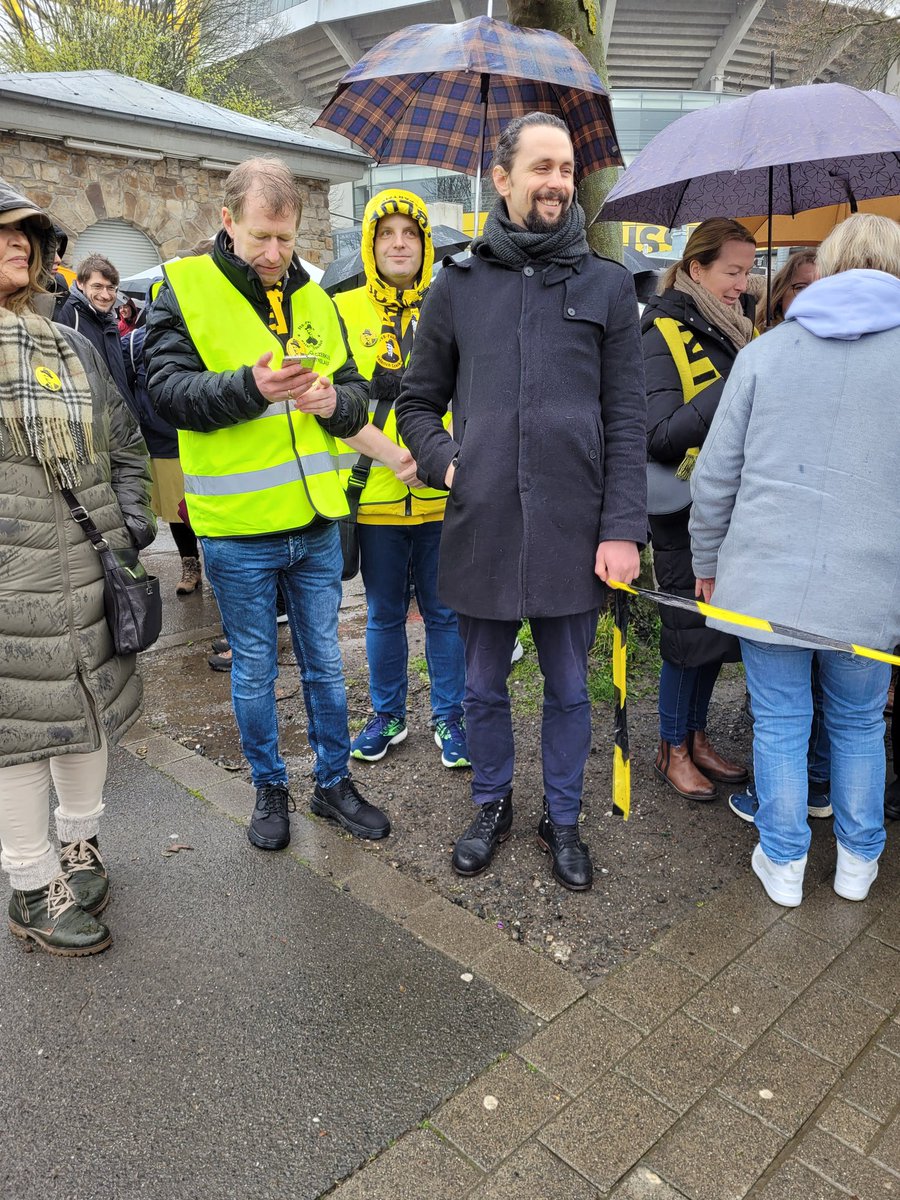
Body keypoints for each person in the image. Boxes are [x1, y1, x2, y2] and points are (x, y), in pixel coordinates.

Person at [397, 113, 647, 891]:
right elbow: (415, 401)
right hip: (485, 524)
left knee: (572, 689)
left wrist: (623, 529)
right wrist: (447, 465)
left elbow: (627, 421)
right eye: (541, 167)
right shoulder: (458, 285)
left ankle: (563, 817)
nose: (558, 182)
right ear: (501, 179)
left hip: (579, 532)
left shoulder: (607, 285)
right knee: (481, 685)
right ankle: (493, 801)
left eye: (566, 168)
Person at [145, 155, 390, 852]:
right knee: (254, 669)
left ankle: (334, 784)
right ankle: (269, 789)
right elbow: (164, 394)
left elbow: (356, 389)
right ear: (228, 221)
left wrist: (335, 400)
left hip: (313, 523)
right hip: (238, 530)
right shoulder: (182, 288)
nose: (276, 254)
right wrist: (251, 387)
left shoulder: (313, 295)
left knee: (324, 664)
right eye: (262, 238)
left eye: (286, 239)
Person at [690, 212, 900, 907]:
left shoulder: (766, 353)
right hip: (873, 590)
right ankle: (859, 862)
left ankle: (781, 863)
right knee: (860, 723)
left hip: (765, 581)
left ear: (830, 269)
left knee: (779, 722)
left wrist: (706, 560)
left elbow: (716, 476)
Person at [0, 178, 155, 955]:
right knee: (20, 742)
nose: (17, 245)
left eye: (25, 234)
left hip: (89, 577)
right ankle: (32, 888)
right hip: (10, 597)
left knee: (89, 722)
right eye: (1, 234)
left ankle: (79, 847)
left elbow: (124, 443)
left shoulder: (69, 345)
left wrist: (130, 525)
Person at [332, 189, 468, 768]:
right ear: (369, 242)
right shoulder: (341, 310)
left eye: (409, 234)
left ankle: (451, 717)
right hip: (376, 495)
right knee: (384, 614)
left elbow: (469, 394)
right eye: (385, 233)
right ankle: (386, 715)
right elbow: (333, 402)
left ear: (425, 244)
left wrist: (440, 460)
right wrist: (392, 457)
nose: (398, 243)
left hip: (443, 494)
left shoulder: (454, 303)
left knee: (443, 613)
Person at [643, 218, 756, 802]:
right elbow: (657, 436)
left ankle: (697, 736)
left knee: (715, 633)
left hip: (728, 506)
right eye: (732, 270)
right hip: (681, 510)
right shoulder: (661, 331)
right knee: (687, 632)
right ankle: (671, 747)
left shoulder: (735, 330)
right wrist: (733, 386)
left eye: (749, 268)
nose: (744, 281)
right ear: (695, 269)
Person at [730, 247, 831, 825]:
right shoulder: (759, 350)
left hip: (807, 540)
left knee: (795, 702)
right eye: (798, 286)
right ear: (781, 295)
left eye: (822, 285)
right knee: (811, 697)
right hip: (776, 538)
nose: (809, 296)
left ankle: (795, 811)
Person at [57, 253, 136, 412]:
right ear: (80, 283)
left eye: (111, 288)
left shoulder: (109, 320)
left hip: (121, 422)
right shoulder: (68, 317)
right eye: (97, 286)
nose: (106, 295)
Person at [759, 249, 817, 330]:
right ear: (781, 294)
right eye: (801, 288)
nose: (812, 296)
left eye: (821, 288)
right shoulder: (757, 337)